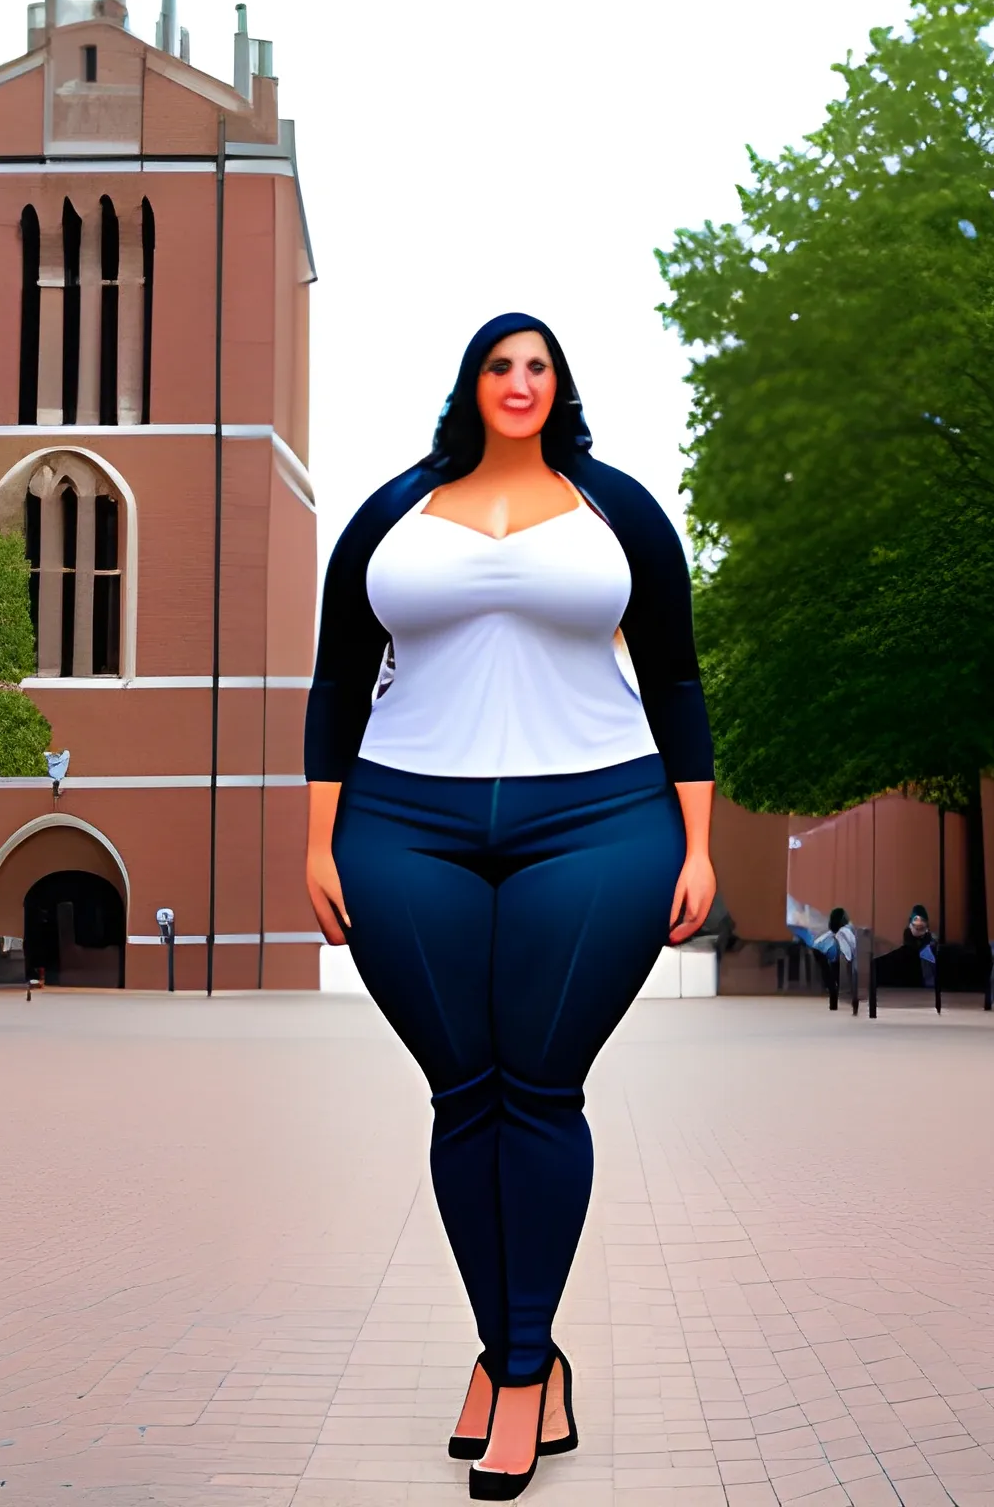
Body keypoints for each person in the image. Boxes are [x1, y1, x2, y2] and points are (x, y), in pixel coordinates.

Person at [304, 314, 716, 1500]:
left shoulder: (620, 511)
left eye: (538, 365)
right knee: (462, 1089)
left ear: (559, 384)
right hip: (400, 819)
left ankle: (519, 1375)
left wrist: (695, 841)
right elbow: (336, 679)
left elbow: (677, 677)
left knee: (536, 1087)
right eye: (499, 364)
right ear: (470, 383)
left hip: (599, 817)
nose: (519, 383)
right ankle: (515, 1351)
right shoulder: (390, 512)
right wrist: (317, 838)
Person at [811, 906, 857, 1010]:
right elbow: (851, 944)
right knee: (830, 976)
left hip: (824, 949)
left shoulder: (840, 931)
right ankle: (833, 996)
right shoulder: (845, 930)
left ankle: (834, 997)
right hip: (823, 950)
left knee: (832, 974)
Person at [905, 903, 938, 989]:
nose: (919, 922)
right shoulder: (908, 936)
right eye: (916, 919)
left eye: (922, 919)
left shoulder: (930, 941)